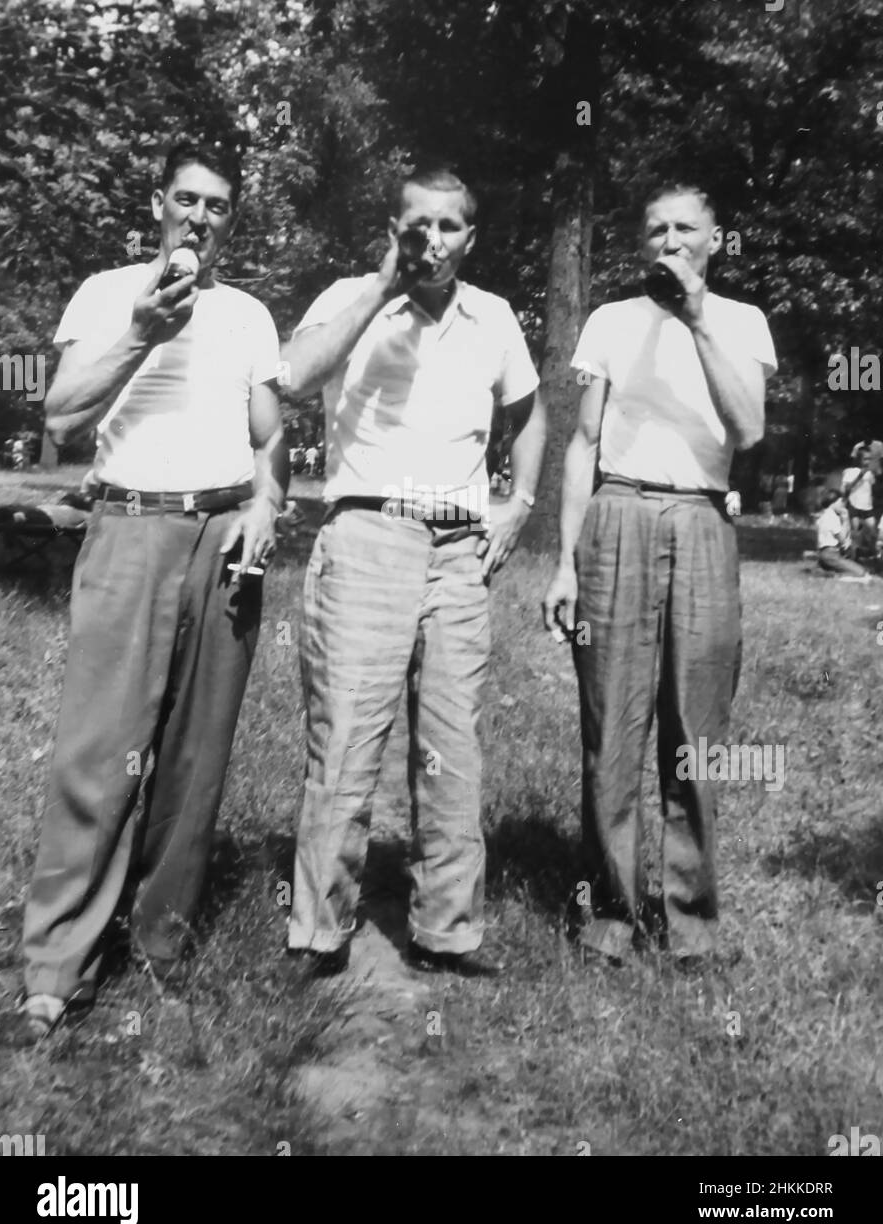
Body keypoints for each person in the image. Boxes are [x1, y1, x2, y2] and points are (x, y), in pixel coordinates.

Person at [1, 139, 289, 1046]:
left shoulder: (247, 314)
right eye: (187, 200)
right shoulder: (105, 291)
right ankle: (56, 964)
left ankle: (159, 939)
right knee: (101, 746)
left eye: (218, 206)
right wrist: (141, 332)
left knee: (196, 753)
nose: (200, 217)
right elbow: (59, 415)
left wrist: (269, 502)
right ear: (159, 201)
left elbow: (267, 436)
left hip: (222, 532)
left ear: (228, 219)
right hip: (127, 527)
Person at [279, 167, 545, 976]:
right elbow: (293, 378)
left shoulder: (494, 316)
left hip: (459, 548)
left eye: (450, 227)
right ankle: (320, 931)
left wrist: (520, 502)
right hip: (368, 534)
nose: (433, 240)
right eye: (418, 224)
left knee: (451, 741)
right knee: (348, 737)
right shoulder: (348, 297)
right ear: (393, 226)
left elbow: (527, 414)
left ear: (472, 236)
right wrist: (380, 288)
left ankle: (447, 931)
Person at [543, 183, 776, 966]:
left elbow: (747, 427)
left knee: (696, 733)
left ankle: (693, 928)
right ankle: (608, 919)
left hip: (704, 520)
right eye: (656, 230)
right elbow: (582, 442)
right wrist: (567, 561)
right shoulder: (611, 321)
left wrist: (698, 314)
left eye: (686, 228)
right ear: (640, 243)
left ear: (715, 238)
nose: (670, 239)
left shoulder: (742, 322)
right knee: (612, 728)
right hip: (619, 516)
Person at [816, 489, 871, 578]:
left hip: (825, 553)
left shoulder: (824, 515)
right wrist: (845, 520)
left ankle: (826, 571)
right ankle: (833, 576)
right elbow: (842, 539)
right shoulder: (832, 517)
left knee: (859, 570)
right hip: (831, 554)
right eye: (840, 501)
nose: (842, 504)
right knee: (863, 574)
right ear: (833, 502)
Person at [841, 444, 876, 561]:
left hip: (867, 506)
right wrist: (860, 476)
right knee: (855, 532)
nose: (867, 461)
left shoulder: (870, 474)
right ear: (859, 459)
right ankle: (853, 555)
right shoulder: (851, 472)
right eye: (865, 459)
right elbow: (846, 488)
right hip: (854, 505)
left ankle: (870, 553)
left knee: (871, 530)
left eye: (869, 459)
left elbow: (871, 488)